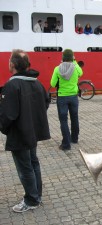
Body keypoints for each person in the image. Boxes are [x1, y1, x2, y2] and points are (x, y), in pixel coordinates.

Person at [0, 49, 50, 213]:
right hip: (32, 132)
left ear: (12, 64)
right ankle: (37, 194)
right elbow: (46, 102)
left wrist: (5, 129)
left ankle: (31, 199)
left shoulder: (12, 85)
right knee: (33, 163)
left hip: (20, 135)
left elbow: (7, 115)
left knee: (25, 168)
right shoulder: (36, 82)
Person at [50, 49, 83, 150]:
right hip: (73, 97)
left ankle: (66, 144)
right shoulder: (76, 68)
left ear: (63, 57)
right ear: (72, 57)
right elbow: (81, 73)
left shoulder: (57, 69)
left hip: (62, 97)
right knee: (74, 117)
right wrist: (74, 61)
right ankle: (74, 138)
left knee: (63, 120)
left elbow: (52, 84)